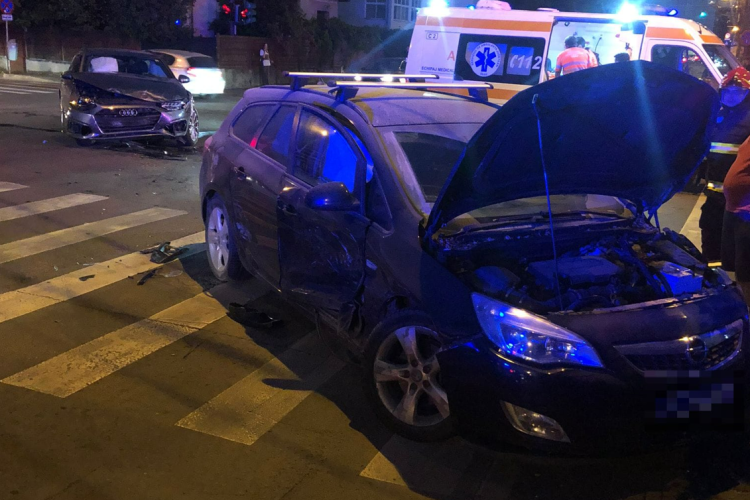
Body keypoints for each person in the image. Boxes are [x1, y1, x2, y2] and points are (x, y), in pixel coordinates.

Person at [700, 67, 750, 262]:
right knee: (710, 242)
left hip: (740, 203)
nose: (731, 96)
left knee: (734, 252)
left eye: (737, 92)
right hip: (713, 197)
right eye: (727, 91)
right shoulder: (718, 116)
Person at [722, 136, 750, 307]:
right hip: (733, 209)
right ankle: (740, 307)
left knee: (746, 272)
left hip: (747, 212)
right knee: (734, 267)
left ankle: (747, 314)